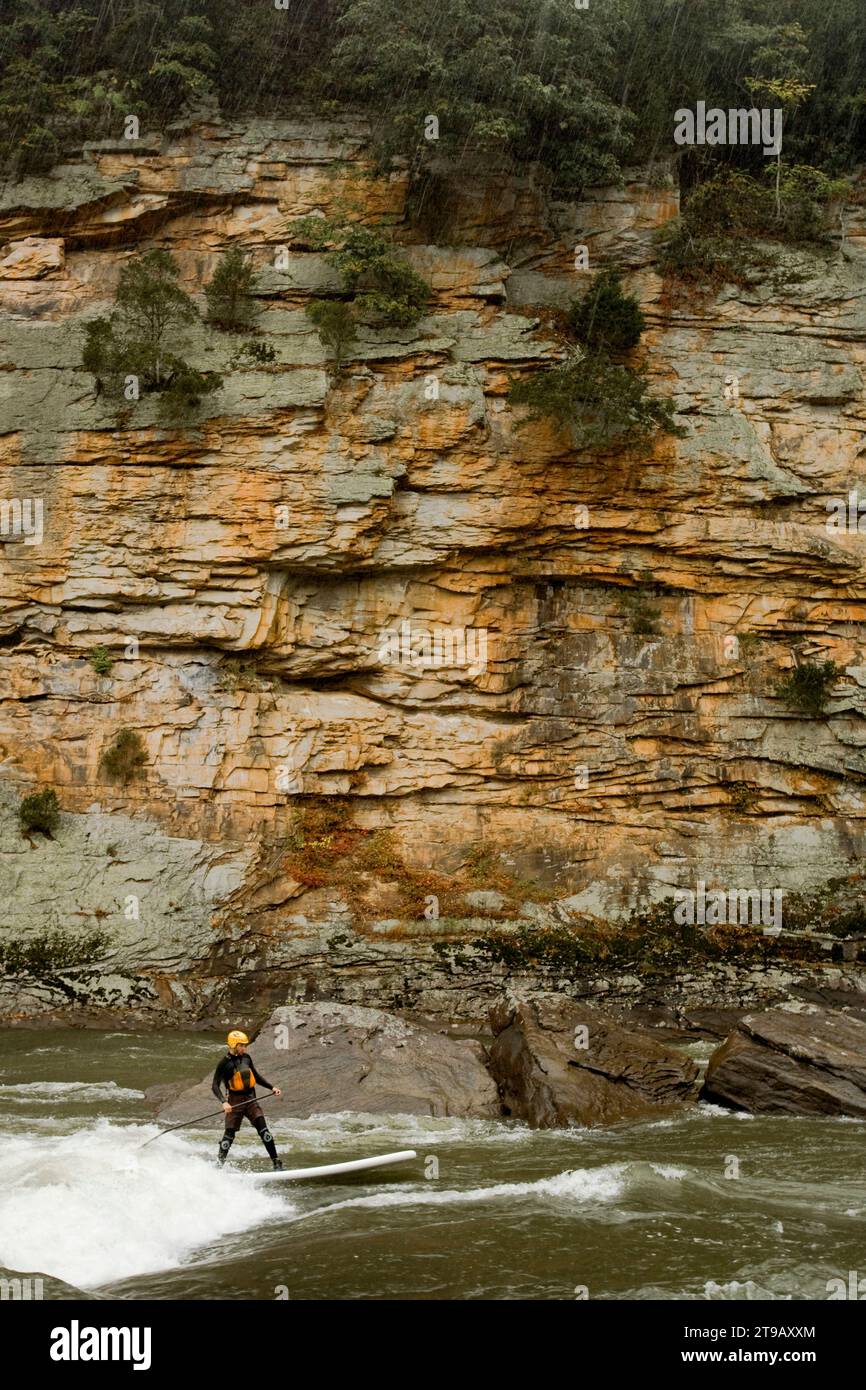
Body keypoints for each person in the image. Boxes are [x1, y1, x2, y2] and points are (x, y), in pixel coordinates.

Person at [212, 1029, 283, 1170]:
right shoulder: (224, 1064)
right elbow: (214, 1085)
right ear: (233, 1045)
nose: (245, 1048)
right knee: (229, 1136)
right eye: (242, 1045)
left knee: (264, 1131)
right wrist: (224, 1102)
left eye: (245, 1045)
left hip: (250, 1099)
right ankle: (219, 1167)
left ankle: (276, 1162)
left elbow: (255, 1077)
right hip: (234, 1101)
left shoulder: (247, 1058)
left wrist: (271, 1087)